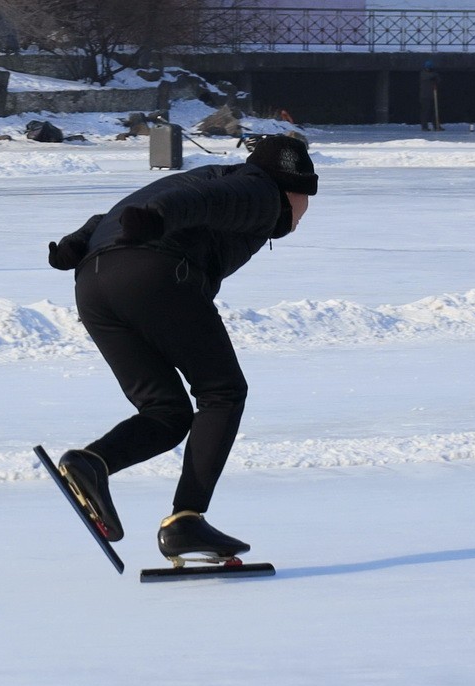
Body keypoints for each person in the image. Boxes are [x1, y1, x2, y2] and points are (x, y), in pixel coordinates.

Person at [45, 135, 318, 561]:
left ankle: (91, 463)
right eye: (308, 198)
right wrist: (158, 220)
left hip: (94, 284)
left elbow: (118, 212)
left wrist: (75, 243)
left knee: (166, 413)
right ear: (292, 187)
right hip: (155, 271)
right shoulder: (262, 192)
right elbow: (202, 202)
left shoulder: (208, 176)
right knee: (222, 392)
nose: (305, 212)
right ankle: (186, 521)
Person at [419, 60, 443, 132]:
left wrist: (436, 78)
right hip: (425, 96)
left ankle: (436, 125)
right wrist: (434, 75)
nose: (428, 69)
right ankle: (424, 126)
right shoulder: (423, 73)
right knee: (426, 111)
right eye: (427, 67)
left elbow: (439, 81)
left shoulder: (434, 74)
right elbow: (426, 77)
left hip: (433, 95)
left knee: (435, 111)